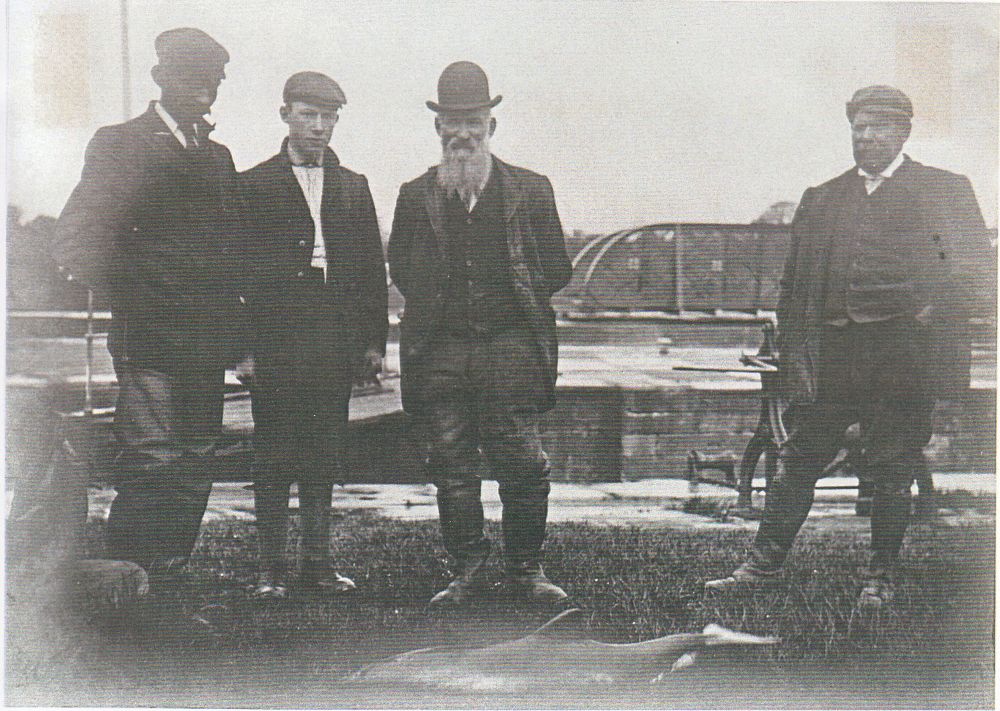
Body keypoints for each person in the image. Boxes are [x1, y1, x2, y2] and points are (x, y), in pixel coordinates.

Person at [704, 85, 992, 608]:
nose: (866, 137)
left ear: (903, 131)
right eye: (859, 127)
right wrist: (793, 353)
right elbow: (794, 287)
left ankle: (879, 577)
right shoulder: (824, 197)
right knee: (798, 456)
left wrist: (926, 314)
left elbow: (976, 273)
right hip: (833, 358)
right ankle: (760, 566)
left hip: (903, 357)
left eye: (879, 126)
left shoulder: (944, 190)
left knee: (892, 465)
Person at [53, 28, 250, 577]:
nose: (205, 91)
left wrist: (236, 337)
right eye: (192, 78)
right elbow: (75, 238)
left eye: (213, 81)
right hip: (149, 340)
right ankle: (129, 582)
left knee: (195, 463)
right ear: (162, 79)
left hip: (205, 347)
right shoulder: (120, 143)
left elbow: (233, 253)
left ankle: (166, 580)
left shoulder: (217, 157)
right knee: (151, 461)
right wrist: (132, 295)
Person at [388, 61, 573, 606]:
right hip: (440, 351)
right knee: (452, 464)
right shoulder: (415, 193)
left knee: (522, 463)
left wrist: (510, 291)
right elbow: (401, 267)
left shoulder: (531, 190)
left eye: (473, 121)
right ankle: (468, 569)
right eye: (453, 122)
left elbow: (556, 269)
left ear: (491, 125)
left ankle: (525, 569)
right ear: (438, 128)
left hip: (510, 349)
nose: (463, 133)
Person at [241, 72, 388, 598]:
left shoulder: (355, 186)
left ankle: (319, 565)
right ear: (285, 115)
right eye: (308, 115)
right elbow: (235, 272)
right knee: (274, 455)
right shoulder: (253, 184)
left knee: (324, 454)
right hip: (277, 339)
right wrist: (243, 350)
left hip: (334, 338)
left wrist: (373, 344)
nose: (319, 127)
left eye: (328, 118)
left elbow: (373, 272)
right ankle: (270, 570)